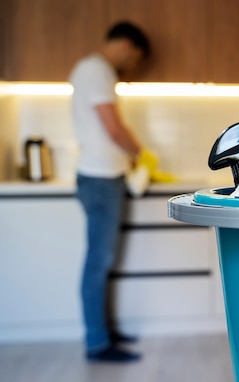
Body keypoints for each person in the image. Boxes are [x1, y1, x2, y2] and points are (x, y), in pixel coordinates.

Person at [69, 21, 150, 362]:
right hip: (101, 180)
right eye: (135, 58)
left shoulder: (92, 70)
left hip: (105, 178)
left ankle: (103, 331)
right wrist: (140, 154)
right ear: (127, 46)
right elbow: (114, 128)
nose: (132, 66)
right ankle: (98, 342)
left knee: (102, 261)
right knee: (98, 262)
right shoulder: (96, 70)